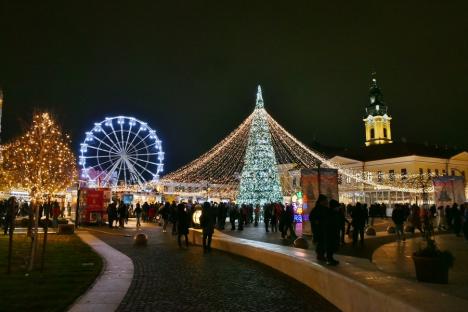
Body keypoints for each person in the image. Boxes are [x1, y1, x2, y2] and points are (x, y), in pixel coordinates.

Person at [309, 194, 328, 261]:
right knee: (321, 242)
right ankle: (320, 255)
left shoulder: (321, 208)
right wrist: (316, 222)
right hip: (319, 229)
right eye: (325, 200)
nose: (326, 202)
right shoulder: (318, 209)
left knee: (322, 242)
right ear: (321, 201)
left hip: (322, 229)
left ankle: (321, 255)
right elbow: (312, 218)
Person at [324, 200, 341, 265]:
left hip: (332, 232)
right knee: (330, 246)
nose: (338, 208)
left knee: (331, 246)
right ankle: (329, 259)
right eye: (337, 207)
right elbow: (329, 224)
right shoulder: (330, 213)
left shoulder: (332, 213)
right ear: (334, 207)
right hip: (330, 233)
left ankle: (330, 258)